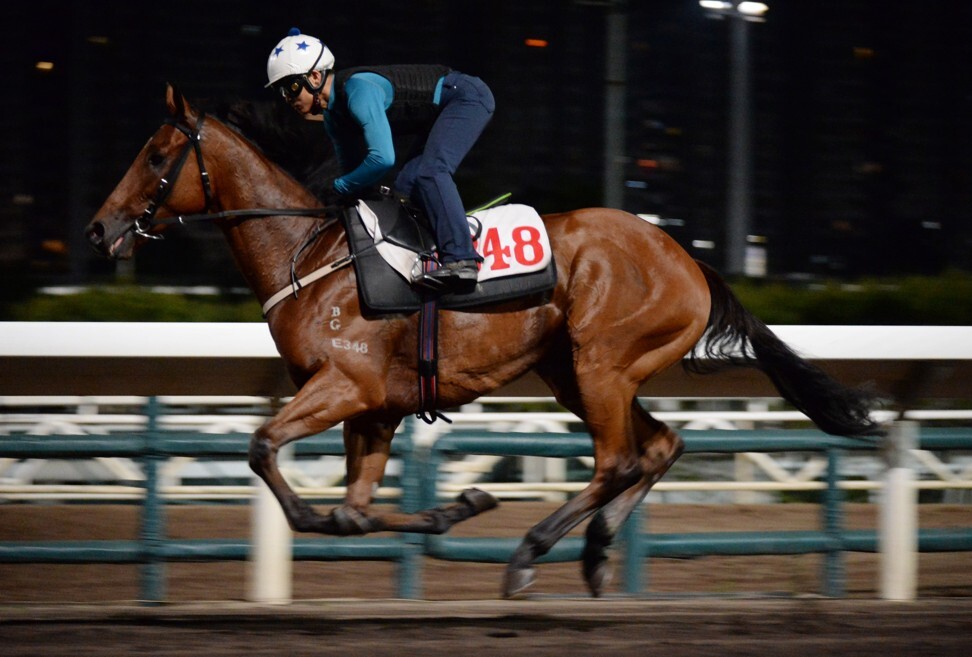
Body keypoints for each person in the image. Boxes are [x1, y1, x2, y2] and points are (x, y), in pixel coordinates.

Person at [265, 27, 495, 293]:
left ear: (315, 77)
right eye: (282, 92)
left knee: (431, 173)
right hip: (438, 116)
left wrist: (340, 186)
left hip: (466, 97)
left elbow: (382, 159)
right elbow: (354, 177)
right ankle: (434, 252)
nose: (288, 98)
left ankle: (462, 259)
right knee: (405, 188)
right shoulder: (334, 119)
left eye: (291, 87)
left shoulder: (359, 90)